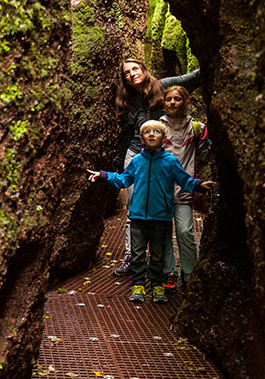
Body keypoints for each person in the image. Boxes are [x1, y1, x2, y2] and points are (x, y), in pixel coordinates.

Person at [88, 120, 216, 304]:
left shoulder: (171, 162)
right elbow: (124, 180)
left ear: (164, 138)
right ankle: (138, 284)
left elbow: (184, 180)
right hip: (138, 216)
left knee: (158, 254)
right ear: (141, 139)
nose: (152, 134)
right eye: (147, 132)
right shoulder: (137, 161)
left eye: (157, 131)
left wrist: (199, 185)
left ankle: (157, 284)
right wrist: (103, 175)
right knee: (138, 254)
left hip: (161, 217)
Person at [112, 60, 201, 277]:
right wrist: (119, 160)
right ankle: (132, 257)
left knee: (165, 212)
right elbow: (125, 134)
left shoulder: (164, 86)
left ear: (144, 70)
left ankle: (166, 264)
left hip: (164, 155)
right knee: (135, 206)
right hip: (137, 156)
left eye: (135, 69)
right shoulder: (128, 101)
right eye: (126, 73)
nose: (132, 74)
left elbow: (195, 78)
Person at [160, 86, 210, 292]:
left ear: (185, 102)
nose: (172, 103)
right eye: (169, 99)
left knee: (185, 231)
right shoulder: (157, 127)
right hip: (160, 189)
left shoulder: (196, 127)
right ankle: (169, 273)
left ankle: (189, 273)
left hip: (185, 188)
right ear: (164, 102)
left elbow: (205, 155)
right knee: (162, 234)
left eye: (177, 99)